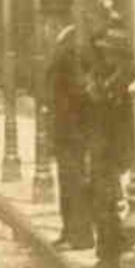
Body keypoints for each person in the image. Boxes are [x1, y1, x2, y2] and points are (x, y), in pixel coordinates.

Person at [83, 21, 135, 268]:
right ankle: (106, 255)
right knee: (101, 203)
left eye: (110, 51)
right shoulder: (105, 75)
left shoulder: (126, 80)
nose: (106, 55)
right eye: (104, 51)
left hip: (117, 150)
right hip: (101, 148)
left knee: (112, 203)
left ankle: (113, 256)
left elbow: (120, 116)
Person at [45, 21, 94, 252]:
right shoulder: (65, 46)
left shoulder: (68, 48)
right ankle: (70, 232)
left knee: (73, 181)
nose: (44, 28)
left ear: (52, 20)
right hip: (67, 127)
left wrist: (68, 117)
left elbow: (78, 88)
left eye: (46, 22)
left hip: (72, 129)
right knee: (68, 182)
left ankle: (79, 235)